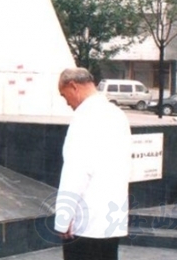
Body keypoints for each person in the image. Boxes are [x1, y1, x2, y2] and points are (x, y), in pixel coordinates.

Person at [55, 68, 132, 260]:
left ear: (73, 86)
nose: (67, 103)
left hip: (87, 222)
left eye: (64, 95)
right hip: (112, 218)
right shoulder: (117, 114)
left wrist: (64, 217)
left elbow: (76, 171)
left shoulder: (84, 118)